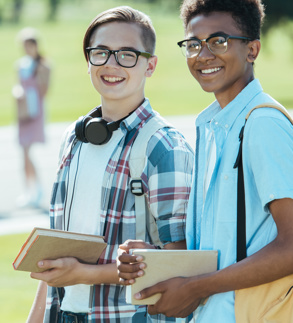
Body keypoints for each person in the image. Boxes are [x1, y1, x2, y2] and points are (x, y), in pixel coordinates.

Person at [117, 0, 293, 321]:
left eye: (218, 41)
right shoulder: (211, 127)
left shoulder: (264, 124)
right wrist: (154, 259)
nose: (203, 55)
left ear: (252, 50)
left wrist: (197, 288)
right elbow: (220, 247)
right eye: (193, 44)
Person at [26, 6, 194, 323]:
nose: (111, 64)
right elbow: (55, 260)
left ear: (150, 65)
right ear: (88, 61)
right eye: (101, 52)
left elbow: (181, 264)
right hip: (62, 314)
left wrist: (86, 274)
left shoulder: (164, 147)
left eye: (127, 54)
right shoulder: (73, 140)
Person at [13, 27, 51, 208]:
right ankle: (29, 189)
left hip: (35, 111)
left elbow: (44, 90)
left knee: (27, 152)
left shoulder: (43, 65)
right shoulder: (21, 64)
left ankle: (36, 189)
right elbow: (18, 85)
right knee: (24, 152)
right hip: (23, 111)